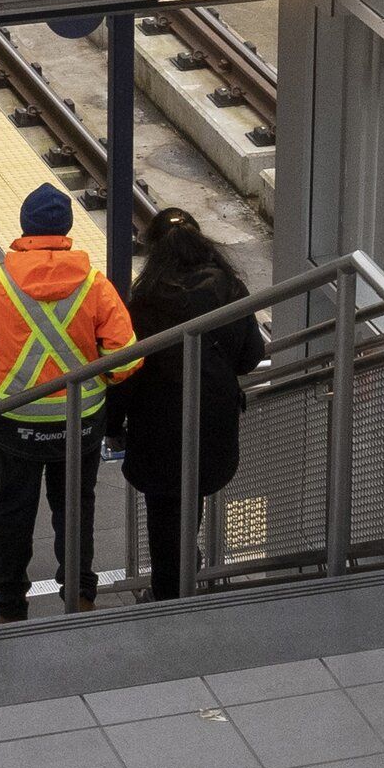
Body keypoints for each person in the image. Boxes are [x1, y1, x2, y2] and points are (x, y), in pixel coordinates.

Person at [0, 183, 138, 621]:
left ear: (24, 229)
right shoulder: (95, 286)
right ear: (67, 230)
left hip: (14, 424)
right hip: (82, 424)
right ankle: (78, 595)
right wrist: (100, 373)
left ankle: (8, 605)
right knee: (76, 508)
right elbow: (126, 355)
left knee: (13, 512)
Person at [105, 207, 265, 601]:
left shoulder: (143, 303)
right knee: (190, 499)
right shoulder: (229, 289)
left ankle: (169, 597)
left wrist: (112, 424)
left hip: (157, 429)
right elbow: (249, 356)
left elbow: (124, 371)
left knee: (163, 514)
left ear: (155, 251)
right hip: (213, 427)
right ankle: (184, 572)